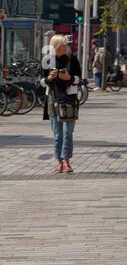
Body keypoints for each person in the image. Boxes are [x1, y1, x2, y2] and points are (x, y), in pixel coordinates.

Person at [43, 34, 81, 174]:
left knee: (68, 133)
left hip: (69, 100)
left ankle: (67, 161)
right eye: (63, 45)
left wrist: (70, 78)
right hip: (53, 99)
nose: (66, 47)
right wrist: (49, 78)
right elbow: (40, 82)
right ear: (55, 46)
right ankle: (58, 162)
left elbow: (79, 79)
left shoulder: (72, 59)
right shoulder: (47, 60)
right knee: (57, 134)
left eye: (66, 45)